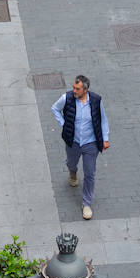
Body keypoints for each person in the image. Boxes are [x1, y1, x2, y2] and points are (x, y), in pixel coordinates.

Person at [52, 75, 110, 221]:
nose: (74, 90)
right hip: (73, 142)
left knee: (90, 173)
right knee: (72, 163)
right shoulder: (67, 98)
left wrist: (105, 138)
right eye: (73, 87)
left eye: (77, 89)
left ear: (85, 89)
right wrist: (63, 124)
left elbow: (103, 119)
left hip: (91, 143)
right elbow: (55, 109)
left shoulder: (96, 100)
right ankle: (73, 172)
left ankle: (86, 203)